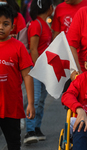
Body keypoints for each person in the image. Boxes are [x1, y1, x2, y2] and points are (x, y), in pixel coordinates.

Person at [0, 4, 35, 150]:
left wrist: (31, 103)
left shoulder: (18, 46)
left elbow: (27, 75)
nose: (1, 27)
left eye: (5, 24)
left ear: (12, 26)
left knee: (14, 143)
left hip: (12, 106)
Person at [23, 0, 53, 144]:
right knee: (33, 100)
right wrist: (38, 69)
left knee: (40, 101)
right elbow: (33, 49)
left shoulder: (45, 24)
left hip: (42, 69)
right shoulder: (36, 24)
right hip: (34, 69)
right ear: (50, 8)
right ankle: (29, 131)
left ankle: (36, 128)